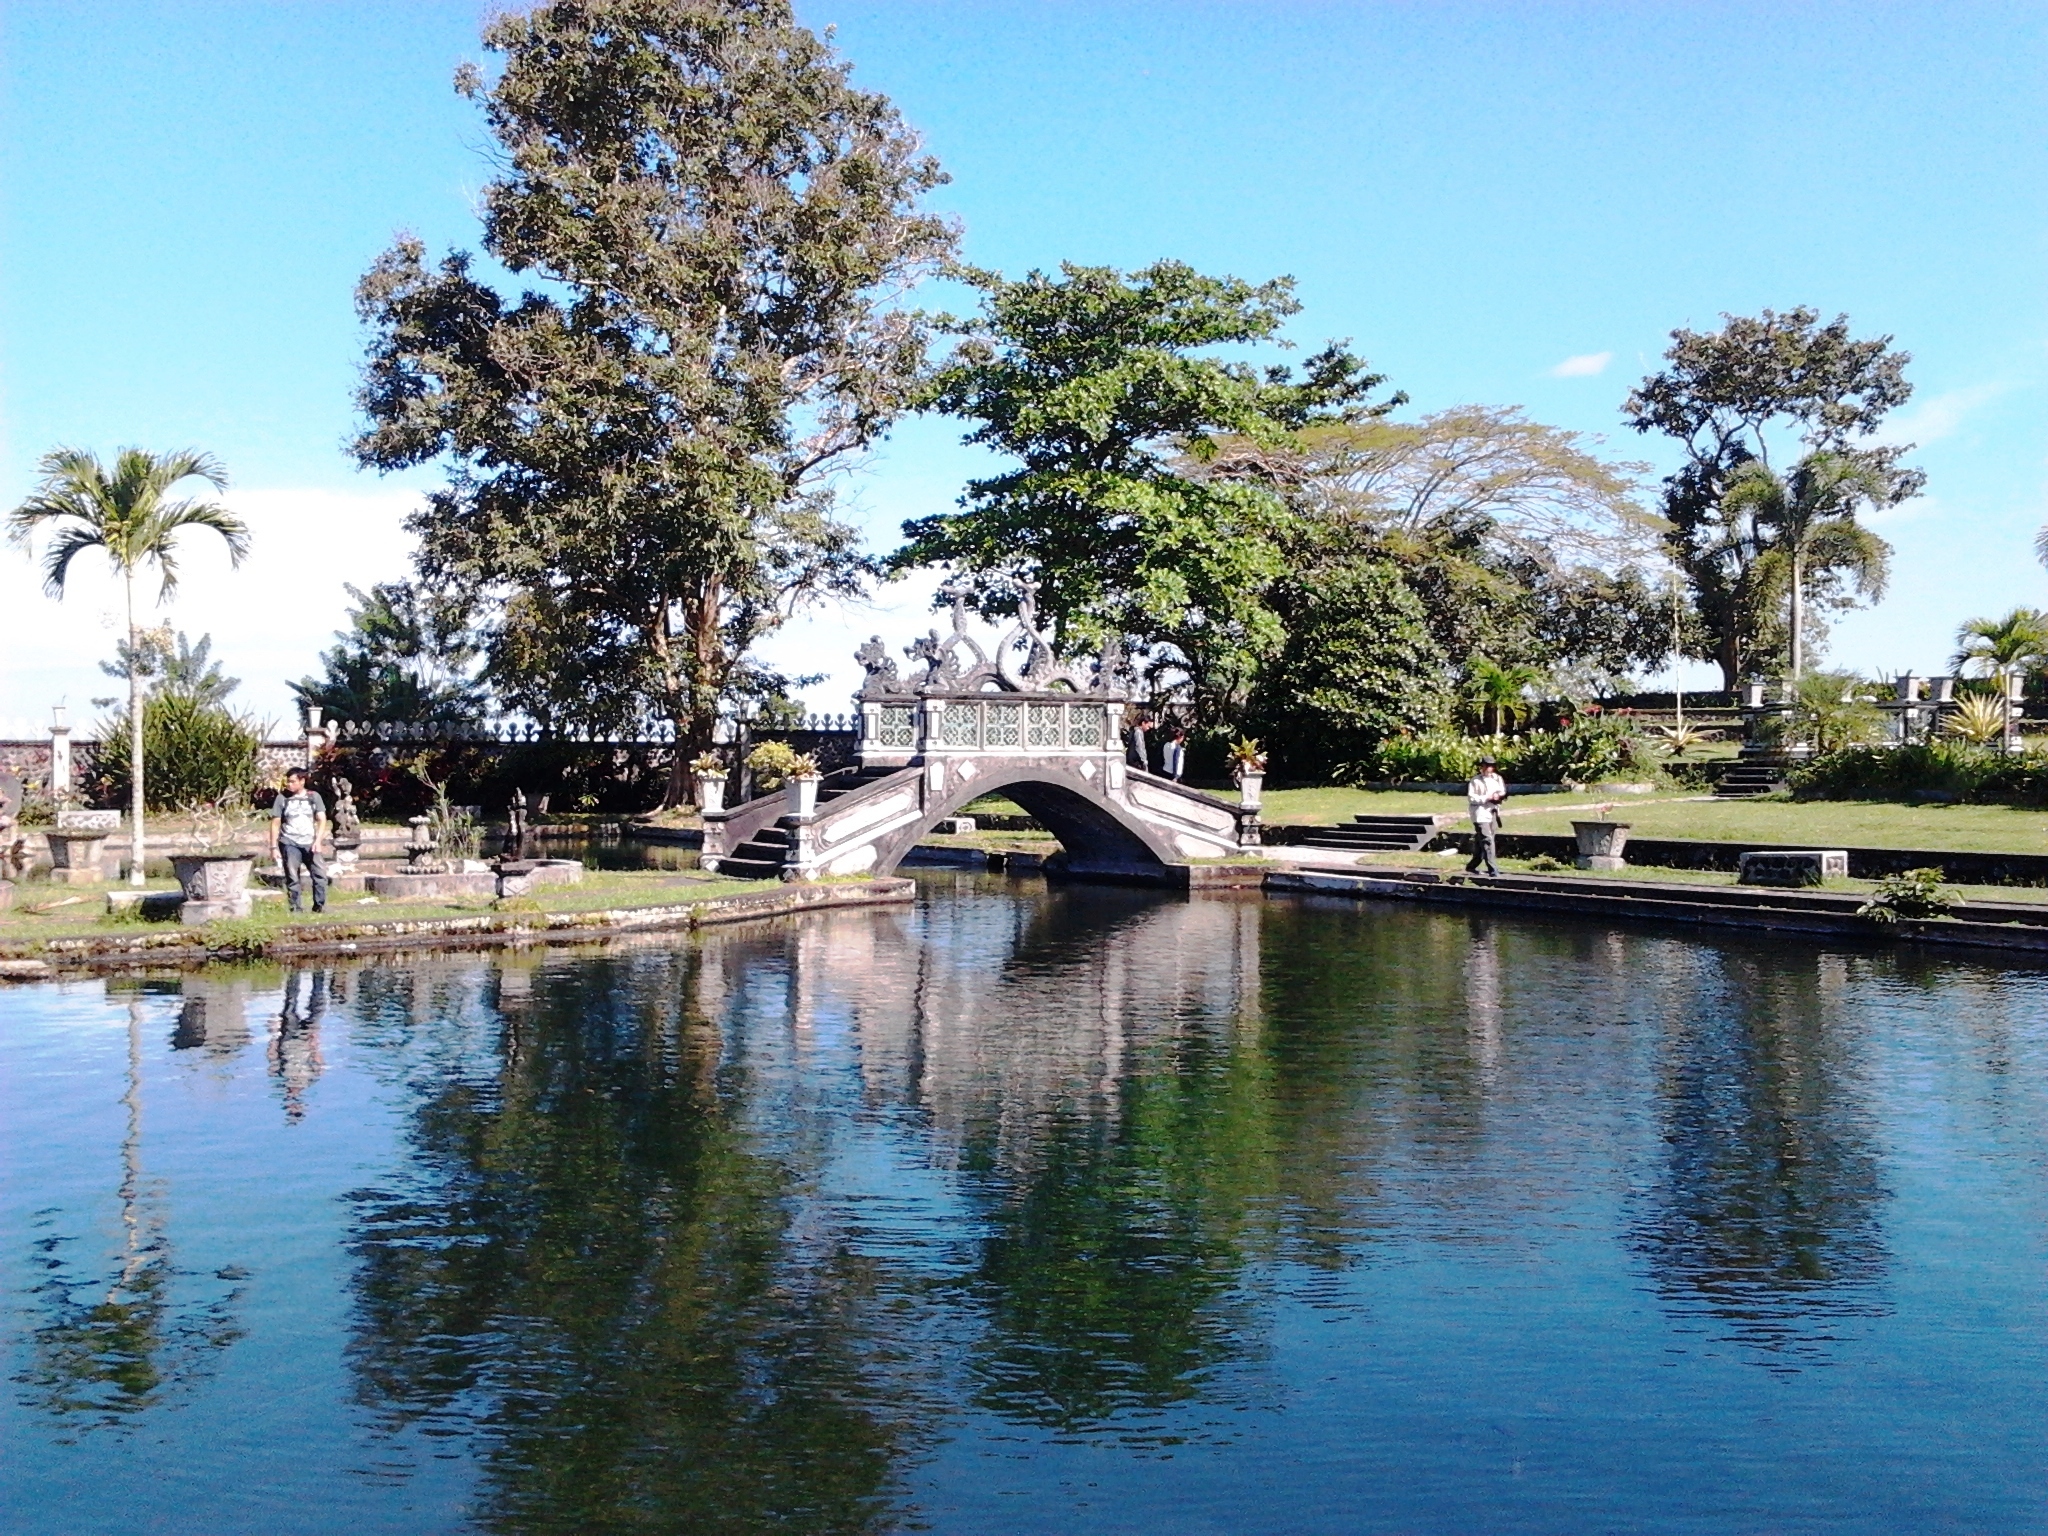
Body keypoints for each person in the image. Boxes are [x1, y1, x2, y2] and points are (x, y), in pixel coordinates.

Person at [270, 768, 329, 914]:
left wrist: (318, 841)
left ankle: (319, 906)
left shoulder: (313, 797)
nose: (289, 785)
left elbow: (322, 819)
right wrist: (273, 847)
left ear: (302, 781)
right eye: (288, 782)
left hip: (310, 842)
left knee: (319, 875)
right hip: (289, 841)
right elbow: (275, 823)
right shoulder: (282, 798)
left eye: (292, 781)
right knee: (292, 876)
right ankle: (295, 908)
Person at [1466, 754, 1506, 877]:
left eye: (1491, 766)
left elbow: (1502, 791)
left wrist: (1497, 796)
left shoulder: (1497, 778)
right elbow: (1472, 798)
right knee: (1487, 840)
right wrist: (1486, 798)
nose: (1489, 768)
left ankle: (1472, 865)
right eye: (1486, 766)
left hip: (1493, 812)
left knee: (1483, 840)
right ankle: (1493, 869)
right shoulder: (1475, 780)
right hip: (1480, 814)